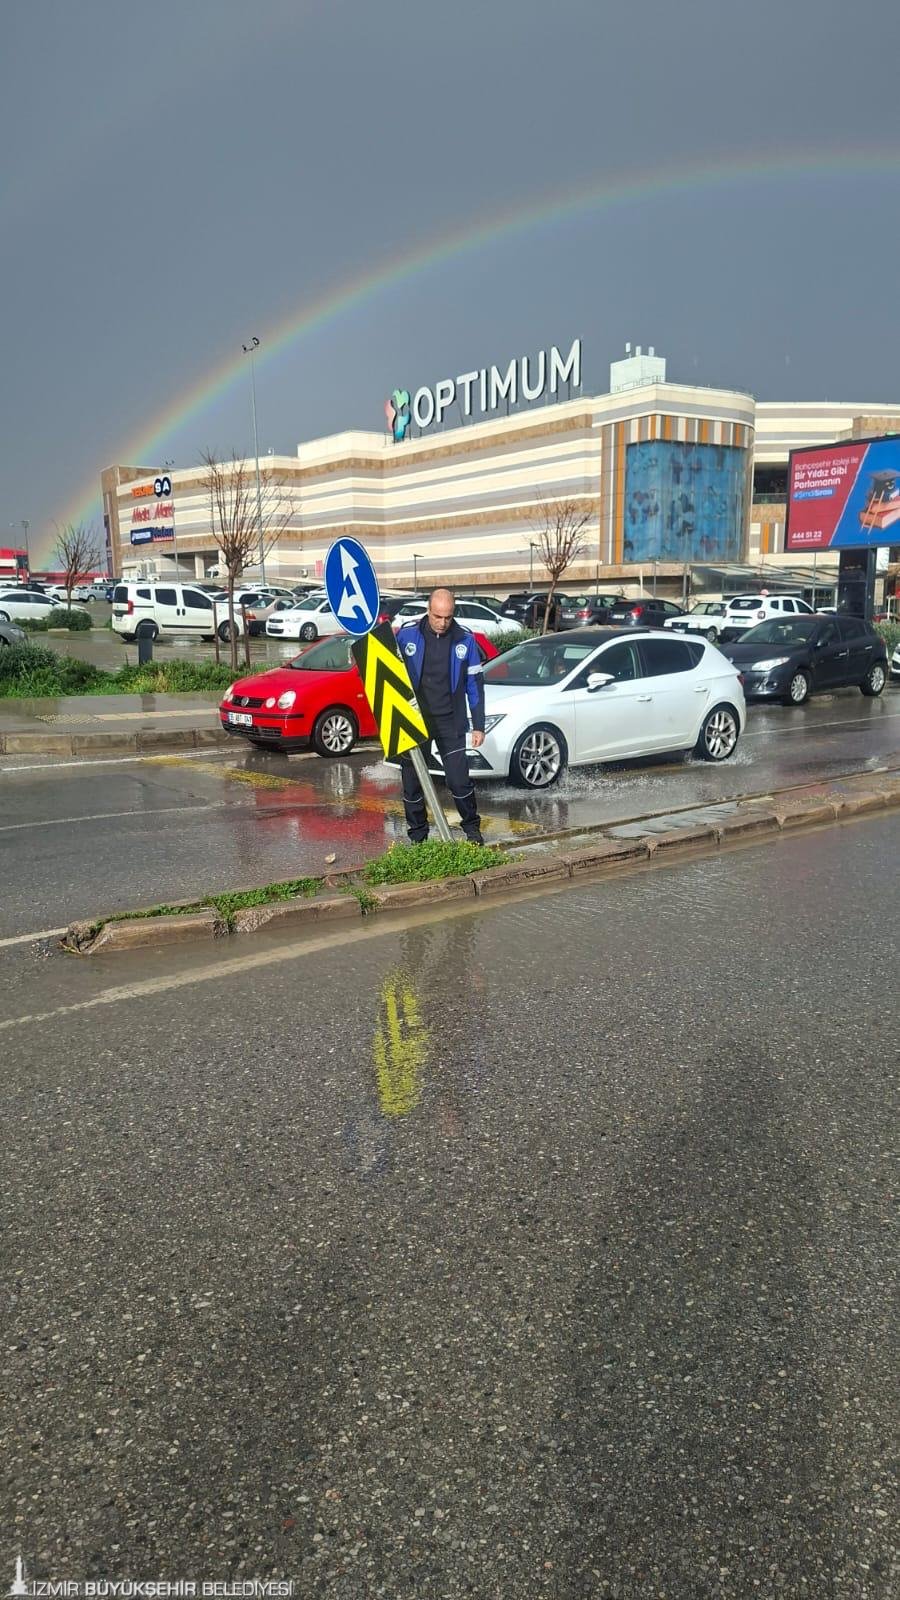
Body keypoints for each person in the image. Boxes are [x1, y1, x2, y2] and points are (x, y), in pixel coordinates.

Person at [396, 588, 485, 845]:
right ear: (428, 610)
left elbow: (475, 686)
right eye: (437, 616)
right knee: (412, 782)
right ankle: (418, 837)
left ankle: (472, 830)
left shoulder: (465, 640)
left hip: (451, 721)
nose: (443, 622)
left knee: (459, 782)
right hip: (416, 722)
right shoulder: (407, 635)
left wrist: (478, 725)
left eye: (448, 617)